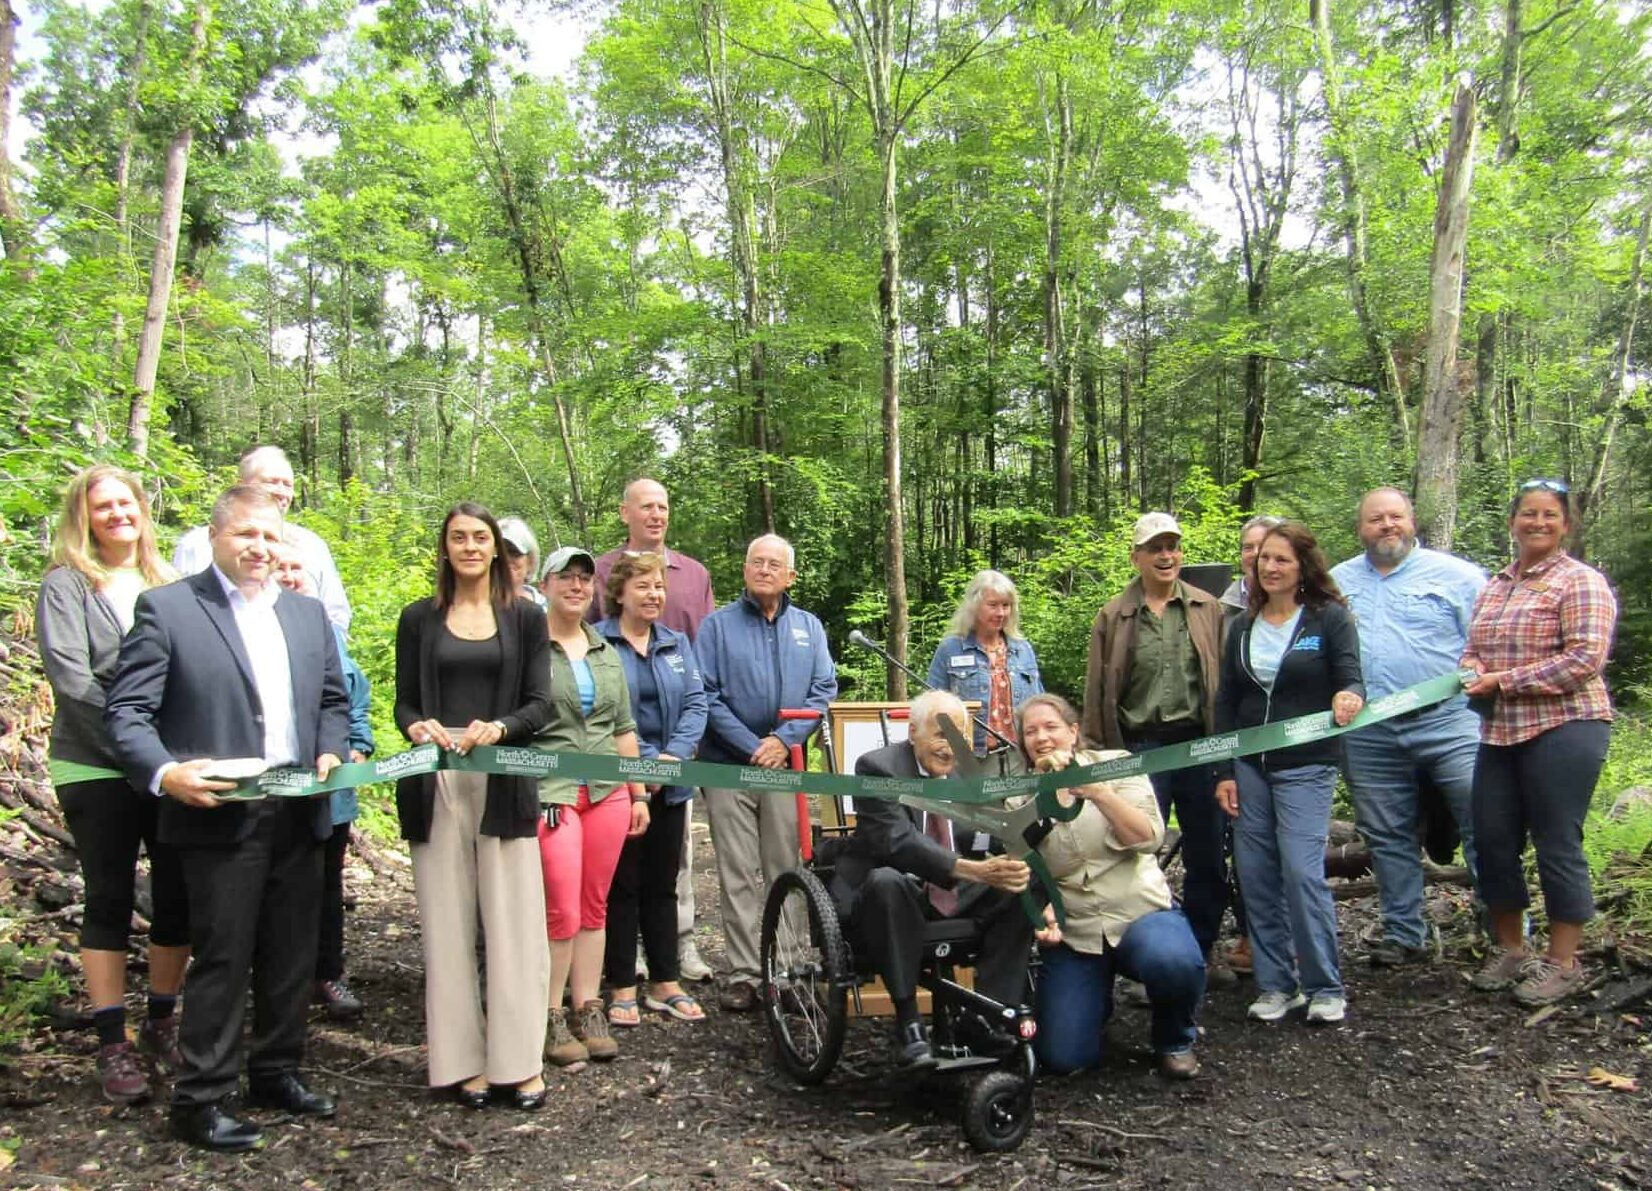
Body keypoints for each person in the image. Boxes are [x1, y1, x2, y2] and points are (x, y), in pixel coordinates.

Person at [104, 485, 350, 1151]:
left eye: (271, 538)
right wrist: (166, 773)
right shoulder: (170, 608)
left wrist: (332, 747)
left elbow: (332, 698)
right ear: (215, 536)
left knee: (291, 952)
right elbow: (126, 713)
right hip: (215, 813)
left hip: (300, 810)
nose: (260, 548)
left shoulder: (306, 614)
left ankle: (276, 1070)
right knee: (222, 955)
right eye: (246, 535)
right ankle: (201, 1098)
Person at [36, 466, 190, 1104]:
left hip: (169, 766)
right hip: (95, 763)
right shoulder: (66, 586)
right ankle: (111, 1043)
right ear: (84, 516)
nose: (117, 513)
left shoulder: (169, 582)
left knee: (177, 894)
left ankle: (162, 1020)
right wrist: (141, 751)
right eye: (103, 506)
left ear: (142, 509)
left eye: (125, 502)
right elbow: (73, 683)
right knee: (109, 895)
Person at [394, 502, 553, 1111]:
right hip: (437, 782)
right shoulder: (419, 619)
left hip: (503, 778)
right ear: (445, 547)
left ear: (495, 549)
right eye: (457, 537)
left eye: (479, 538)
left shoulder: (526, 619)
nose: (469, 547)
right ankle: (462, 1062)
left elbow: (540, 705)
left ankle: (520, 1062)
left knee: (513, 924)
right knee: (447, 925)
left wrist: (500, 728)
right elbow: (405, 703)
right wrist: (416, 729)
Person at [1462, 479, 1617, 1007]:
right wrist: (1474, 670)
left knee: (1557, 840)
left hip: (1566, 726)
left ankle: (1563, 962)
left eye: (1549, 515)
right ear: (1513, 522)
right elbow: (1473, 651)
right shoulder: (1497, 585)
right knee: (1493, 838)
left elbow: (1584, 660)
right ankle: (1511, 948)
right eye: (1528, 514)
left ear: (1566, 524)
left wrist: (1503, 680)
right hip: (1500, 731)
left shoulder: (1581, 582)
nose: (1537, 523)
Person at [1213, 520, 1364, 1026]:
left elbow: (1351, 680)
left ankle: (1325, 985)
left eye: (1281, 559)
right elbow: (1226, 703)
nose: (1270, 568)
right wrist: (1223, 770)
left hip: (1308, 765)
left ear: (1302, 567)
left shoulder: (1328, 619)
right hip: (1248, 767)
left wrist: (1348, 698)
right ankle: (1277, 985)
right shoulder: (1241, 627)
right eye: (1263, 560)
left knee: (1302, 873)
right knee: (1256, 876)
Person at [837, 691, 1034, 1067]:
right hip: (893, 892)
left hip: (953, 891)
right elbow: (897, 842)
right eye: (941, 735)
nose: (950, 747)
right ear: (913, 732)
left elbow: (995, 832)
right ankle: (908, 1020)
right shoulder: (876, 767)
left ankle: (986, 1015)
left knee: (1022, 881)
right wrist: (971, 869)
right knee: (886, 881)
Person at [1331, 488, 1486, 966]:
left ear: (1411, 520)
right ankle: (1404, 932)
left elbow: (1490, 641)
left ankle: (1500, 925)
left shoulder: (1459, 577)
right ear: (1361, 527)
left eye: (1395, 516)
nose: (1387, 525)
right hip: (1369, 730)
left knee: (1483, 818)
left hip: (1451, 721)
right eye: (1376, 519)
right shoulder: (1335, 584)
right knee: (1385, 832)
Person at [1017, 694, 1205, 1079]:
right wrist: (1041, 906)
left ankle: (1175, 1039)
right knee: (1063, 1058)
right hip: (1076, 931)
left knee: (1173, 961)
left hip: (1139, 912)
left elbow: (1149, 838)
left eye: (1051, 727)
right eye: (1030, 731)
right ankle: (1091, 1003)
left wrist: (1097, 792)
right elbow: (1018, 866)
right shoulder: (1017, 795)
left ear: (1073, 732)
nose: (1042, 738)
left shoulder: (1118, 765)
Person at [1082, 513, 1229, 979]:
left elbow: (1226, 685)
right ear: (1137, 557)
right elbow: (1095, 691)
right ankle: (1139, 958)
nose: (1167, 556)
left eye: (1173, 546)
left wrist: (1227, 755)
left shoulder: (1209, 609)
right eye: (1155, 548)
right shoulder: (1113, 614)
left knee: (1207, 853)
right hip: (1140, 749)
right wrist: (1099, 756)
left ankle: (1200, 952)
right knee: (1135, 851)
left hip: (1200, 747)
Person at [696, 534, 837, 1010]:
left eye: (774, 564)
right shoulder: (715, 628)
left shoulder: (810, 627)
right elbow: (707, 694)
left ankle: (791, 970)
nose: (764, 569)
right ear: (744, 569)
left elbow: (823, 690)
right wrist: (753, 745)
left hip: (787, 766)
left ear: (790, 576)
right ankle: (744, 974)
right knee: (737, 871)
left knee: (787, 869)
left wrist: (784, 742)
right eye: (756, 561)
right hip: (726, 766)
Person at [589, 478, 717, 983]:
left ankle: (675, 955)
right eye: (647, 506)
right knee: (621, 876)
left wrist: (675, 755)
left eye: (663, 506)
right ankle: (623, 967)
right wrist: (640, 761)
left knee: (671, 873)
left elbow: (697, 690)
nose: (657, 514)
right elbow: (606, 700)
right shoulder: (599, 587)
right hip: (617, 768)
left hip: (673, 769)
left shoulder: (692, 589)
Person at [536, 545, 649, 1065]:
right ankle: (550, 1014)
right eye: (566, 577)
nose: (576, 586)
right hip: (553, 792)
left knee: (594, 904)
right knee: (560, 905)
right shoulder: (530, 649)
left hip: (606, 794)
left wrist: (637, 793)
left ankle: (588, 1006)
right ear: (546, 585)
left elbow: (623, 730)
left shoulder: (605, 650)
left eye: (584, 578)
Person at [271, 545, 375, 1019]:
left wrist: (357, 747)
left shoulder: (330, 635)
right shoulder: (253, 631)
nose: (290, 576)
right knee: (274, 889)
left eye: (298, 569)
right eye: (281, 568)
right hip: (271, 793)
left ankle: (328, 973)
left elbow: (355, 702)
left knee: (327, 884)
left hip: (330, 794)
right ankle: (275, 981)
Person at [172, 446, 351, 631]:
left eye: (287, 484)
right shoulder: (196, 544)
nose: (282, 492)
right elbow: (178, 609)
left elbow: (336, 614)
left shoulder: (312, 545)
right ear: (240, 484)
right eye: (272, 482)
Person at [925, 569, 1044, 755]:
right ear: (974, 606)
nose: (1001, 612)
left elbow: (1039, 703)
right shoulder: (951, 649)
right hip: (969, 758)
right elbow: (931, 705)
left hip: (1019, 756)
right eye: (993, 605)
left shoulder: (1023, 649)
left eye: (1006, 605)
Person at [1220, 515, 1284, 621]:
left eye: (1263, 546)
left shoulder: (1305, 608)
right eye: (1248, 547)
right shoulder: (1219, 611)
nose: (1255, 553)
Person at [497, 517, 548, 610]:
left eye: (513, 552)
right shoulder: (476, 605)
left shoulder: (548, 609)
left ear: (530, 561)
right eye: (500, 553)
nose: (506, 559)